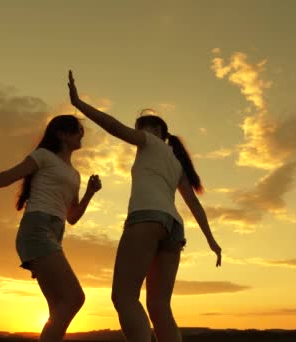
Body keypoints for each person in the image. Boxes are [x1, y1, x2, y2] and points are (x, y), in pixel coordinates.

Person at [67, 70, 222, 342]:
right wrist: (211, 241)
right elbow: (193, 204)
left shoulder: (149, 142)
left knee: (124, 297)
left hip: (147, 219)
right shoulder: (176, 163)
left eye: (141, 128)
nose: (137, 133)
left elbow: (114, 127)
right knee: (160, 307)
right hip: (174, 229)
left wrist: (79, 104)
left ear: (155, 132)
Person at [0, 114, 102, 342]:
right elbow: (10, 175)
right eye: (77, 129)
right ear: (62, 134)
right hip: (36, 229)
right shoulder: (43, 156)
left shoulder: (75, 174)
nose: (81, 133)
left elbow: (72, 217)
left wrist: (90, 194)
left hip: (54, 234)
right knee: (75, 298)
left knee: (58, 309)